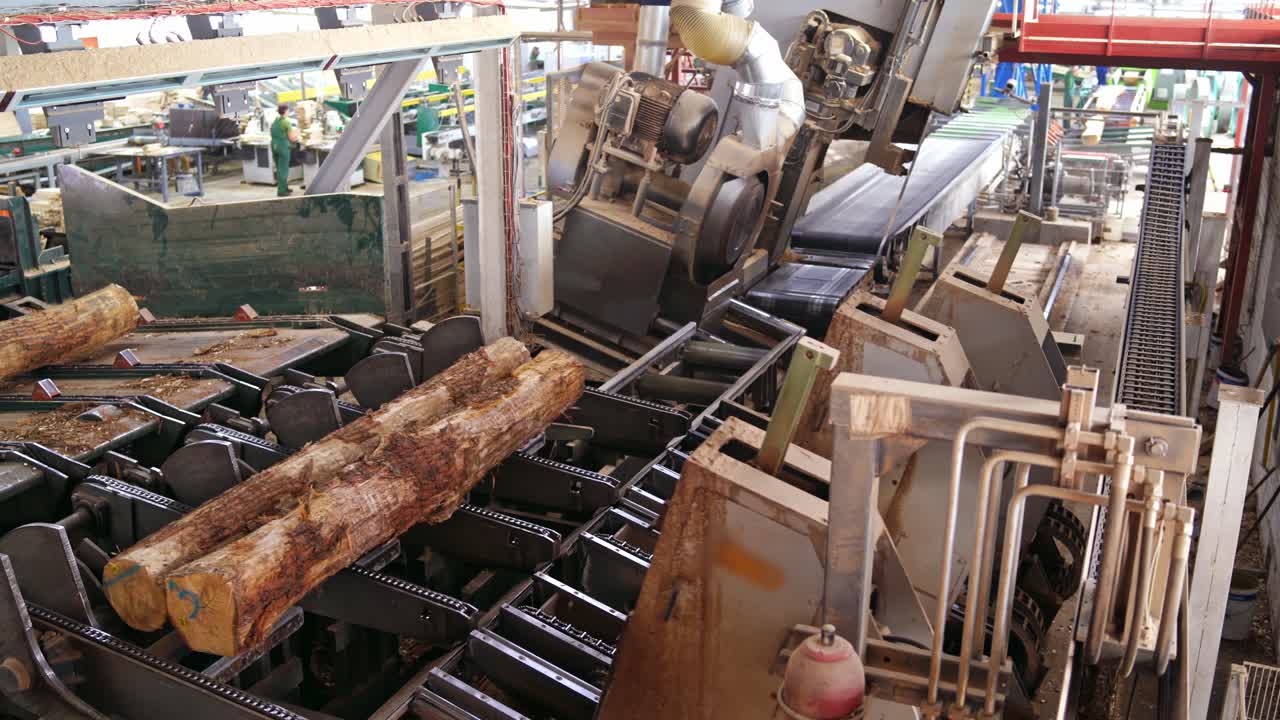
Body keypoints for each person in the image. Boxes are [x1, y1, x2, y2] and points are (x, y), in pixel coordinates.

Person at [270, 103, 299, 196]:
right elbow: (292, 138)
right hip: (282, 147)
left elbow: (272, 132)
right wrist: (298, 135)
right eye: (288, 110)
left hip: (274, 146)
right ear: (286, 111)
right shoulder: (286, 122)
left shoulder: (275, 121)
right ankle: (281, 191)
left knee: (279, 169)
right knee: (283, 170)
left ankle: (285, 187)